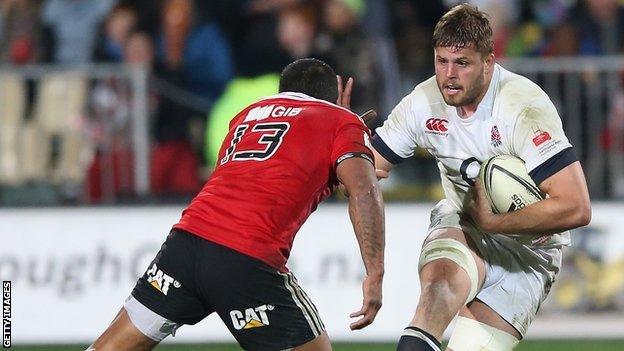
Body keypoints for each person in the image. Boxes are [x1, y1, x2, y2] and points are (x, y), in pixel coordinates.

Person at [87, 58, 385, 351]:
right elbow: (363, 189)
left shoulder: (245, 116)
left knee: (111, 347)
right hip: (245, 254)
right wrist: (375, 272)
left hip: (185, 244)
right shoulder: (342, 121)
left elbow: (258, 177)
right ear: (333, 96)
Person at [370, 4, 591, 351]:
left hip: (531, 252)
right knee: (435, 297)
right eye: (441, 61)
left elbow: (577, 207)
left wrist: (494, 223)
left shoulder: (524, 108)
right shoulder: (423, 102)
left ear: (489, 62)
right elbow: (368, 169)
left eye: (462, 63)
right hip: (464, 225)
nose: (449, 75)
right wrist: (340, 137)